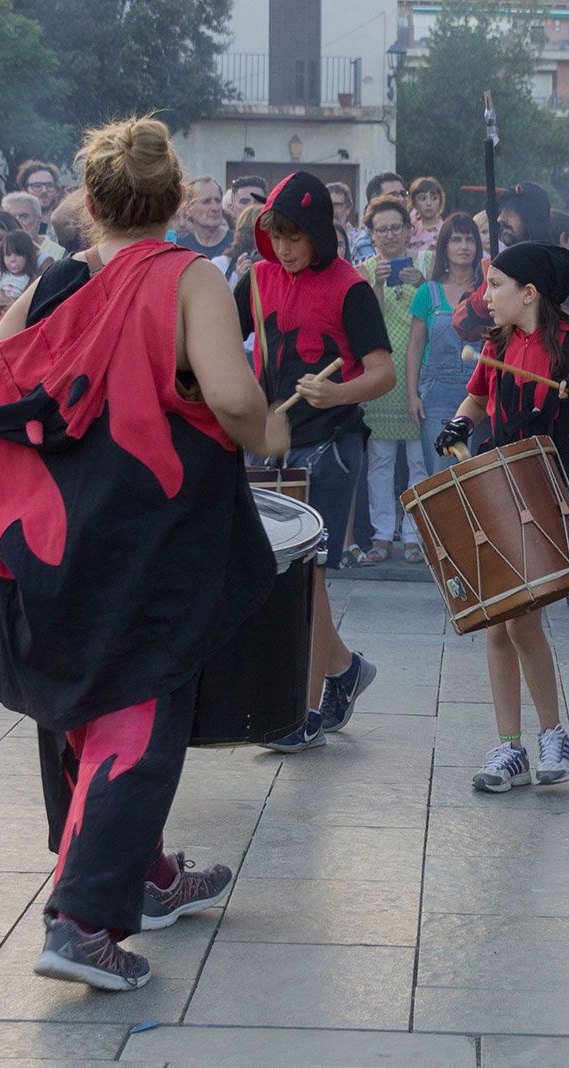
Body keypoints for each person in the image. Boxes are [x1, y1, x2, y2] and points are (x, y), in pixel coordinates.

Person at [0, 116, 289, 992]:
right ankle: (82, 919)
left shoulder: (59, 281)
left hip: (56, 536)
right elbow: (233, 396)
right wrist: (270, 426)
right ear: (175, 200)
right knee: (139, 712)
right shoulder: (190, 278)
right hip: (148, 535)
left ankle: (140, 872)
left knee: (78, 706)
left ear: (90, 204)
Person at [432, 241, 569, 792]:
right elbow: (475, 401)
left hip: (544, 487)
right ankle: (511, 747)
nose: (486, 296)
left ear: (529, 293)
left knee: (517, 618)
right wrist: (459, 423)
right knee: (498, 622)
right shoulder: (497, 341)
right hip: (495, 482)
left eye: (496, 285)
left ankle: (549, 735)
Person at [232, 170, 396, 753]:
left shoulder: (350, 287)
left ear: (320, 234)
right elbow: (223, 343)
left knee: (306, 575)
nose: (284, 247)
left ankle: (298, 713)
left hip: (333, 444)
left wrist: (337, 392)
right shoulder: (256, 279)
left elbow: (383, 371)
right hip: (271, 442)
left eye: (295, 237)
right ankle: (344, 669)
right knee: (295, 575)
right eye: (275, 235)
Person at [448, 179, 569, 613]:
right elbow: (464, 321)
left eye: (511, 212)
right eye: (500, 212)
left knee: (567, 492)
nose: (502, 219)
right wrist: (499, 289)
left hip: (559, 408)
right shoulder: (499, 271)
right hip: (509, 406)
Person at [355, 195, 433, 564]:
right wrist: (375, 289)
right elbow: (365, 326)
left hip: (420, 374)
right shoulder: (364, 271)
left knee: (419, 461)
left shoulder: (428, 264)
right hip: (382, 376)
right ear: (371, 234)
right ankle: (382, 535)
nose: (389, 236)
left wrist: (424, 284)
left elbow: (440, 314)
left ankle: (416, 535)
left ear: (409, 230)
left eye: (396, 228)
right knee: (381, 460)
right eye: (381, 229)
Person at [406, 212, 483, 475]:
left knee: (479, 474)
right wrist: (412, 395)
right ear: (444, 247)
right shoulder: (428, 291)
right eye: (456, 239)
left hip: (480, 393)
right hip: (436, 396)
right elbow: (415, 346)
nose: (464, 246)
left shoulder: (489, 291)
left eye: (470, 239)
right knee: (442, 477)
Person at [3, 192, 65, 265]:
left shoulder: (58, 253)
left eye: (24, 217)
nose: (17, 223)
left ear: (38, 219)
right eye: (12, 218)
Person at [177, 176, 231, 259]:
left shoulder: (237, 245)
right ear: (188, 209)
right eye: (206, 202)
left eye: (218, 201)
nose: (215, 208)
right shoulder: (181, 249)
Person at [327, 181, 368, 262]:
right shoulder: (315, 240)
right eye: (328, 204)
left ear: (348, 209)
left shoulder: (360, 240)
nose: (332, 210)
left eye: (337, 205)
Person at [407, 176, 445, 253]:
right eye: (422, 198)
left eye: (434, 198)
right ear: (414, 202)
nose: (429, 203)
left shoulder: (445, 229)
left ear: (440, 201)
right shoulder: (410, 229)